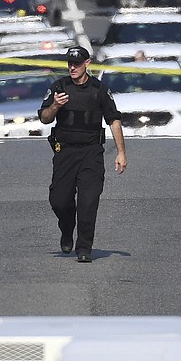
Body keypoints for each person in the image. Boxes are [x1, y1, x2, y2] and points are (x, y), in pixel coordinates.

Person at [39, 46, 127, 263]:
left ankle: (84, 247)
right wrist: (55, 106)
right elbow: (44, 117)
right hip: (65, 152)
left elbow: (114, 120)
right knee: (59, 200)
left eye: (77, 64)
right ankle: (67, 228)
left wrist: (121, 152)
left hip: (91, 153)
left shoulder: (99, 90)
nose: (72, 68)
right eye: (69, 64)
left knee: (88, 201)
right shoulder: (59, 87)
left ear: (87, 63)